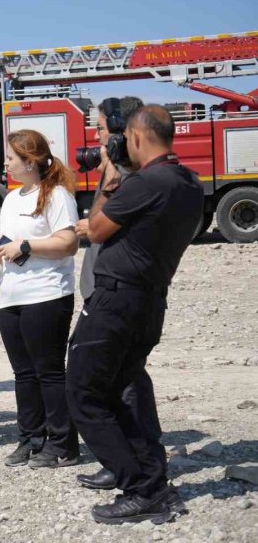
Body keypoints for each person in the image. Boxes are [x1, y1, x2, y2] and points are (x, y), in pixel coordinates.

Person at [66, 106, 202, 525]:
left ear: (138, 137)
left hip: (116, 303)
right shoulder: (188, 182)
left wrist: (109, 180)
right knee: (124, 389)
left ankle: (142, 489)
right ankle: (153, 479)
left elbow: (95, 229)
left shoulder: (147, 182)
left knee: (84, 393)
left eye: (124, 139)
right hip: (148, 301)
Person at [73, 96, 167, 491]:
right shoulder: (120, 167)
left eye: (100, 129)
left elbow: (99, 227)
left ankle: (139, 468)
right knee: (119, 382)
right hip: (103, 284)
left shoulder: (134, 175)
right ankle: (126, 461)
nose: (95, 138)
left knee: (121, 386)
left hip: (117, 295)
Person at [0, 130, 80, 469]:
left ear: (30, 160)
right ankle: (30, 437)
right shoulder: (11, 199)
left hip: (47, 293)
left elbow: (68, 244)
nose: (6, 162)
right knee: (23, 373)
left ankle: (63, 443)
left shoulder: (56, 196)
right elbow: (10, 240)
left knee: (49, 372)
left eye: (11, 157)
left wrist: (25, 246)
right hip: (11, 295)